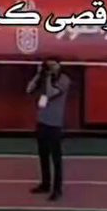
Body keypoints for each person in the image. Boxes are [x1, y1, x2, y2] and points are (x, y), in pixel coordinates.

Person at [27, 58, 70, 202]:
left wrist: (48, 78)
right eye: (49, 65)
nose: (51, 67)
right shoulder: (43, 77)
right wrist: (38, 75)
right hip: (42, 121)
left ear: (59, 66)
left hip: (55, 124)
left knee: (56, 158)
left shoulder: (64, 80)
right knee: (43, 155)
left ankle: (57, 189)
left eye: (54, 64)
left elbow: (51, 93)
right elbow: (29, 89)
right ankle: (45, 184)